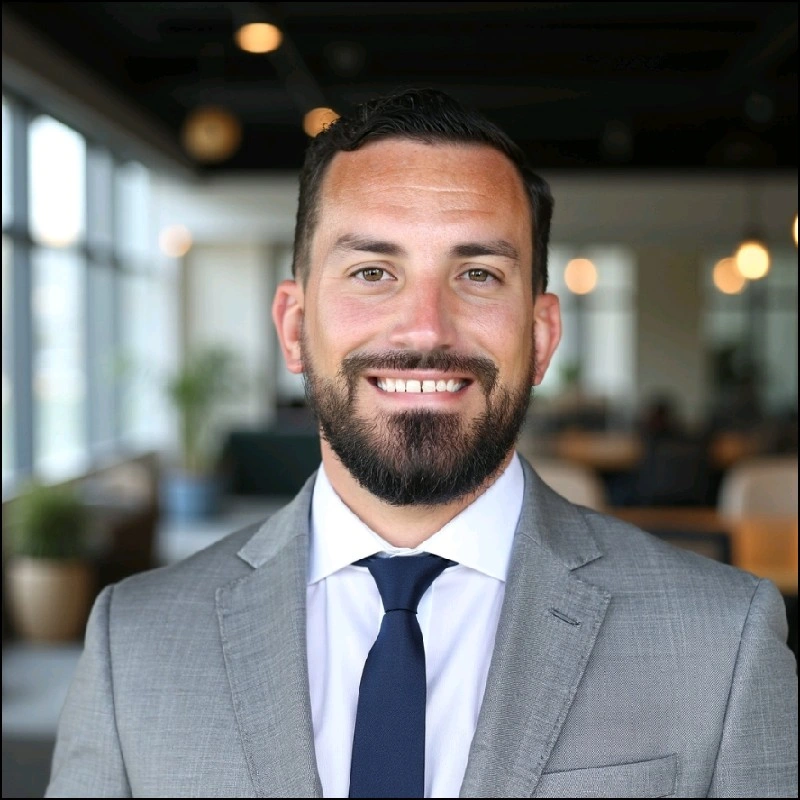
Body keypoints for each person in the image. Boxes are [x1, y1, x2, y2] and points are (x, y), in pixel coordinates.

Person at [46, 88, 796, 798]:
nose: (426, 328)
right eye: (373, 271)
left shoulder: (723, 639)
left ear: (540, 338)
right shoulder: (132, 643)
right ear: (294, 327)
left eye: (478, 274)